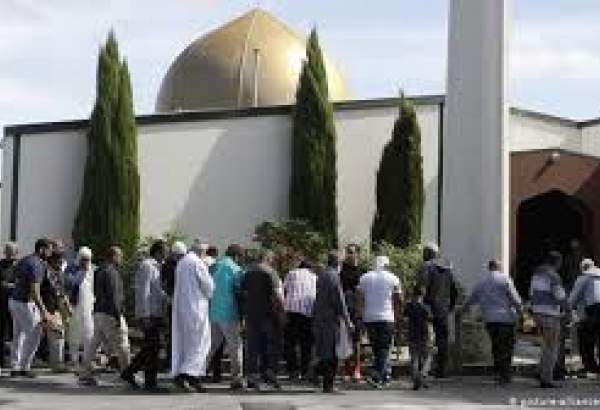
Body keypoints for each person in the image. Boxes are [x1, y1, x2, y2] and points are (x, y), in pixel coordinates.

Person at [78, 246, 133, 387]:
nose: (121, 259)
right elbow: (114, 296)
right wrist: (118, 316)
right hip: (110, 313)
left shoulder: (99, 271)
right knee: (123, 345)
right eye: (120, 256)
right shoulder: (112, 272)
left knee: (94, 344)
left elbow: (97, 292)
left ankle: (85, 374)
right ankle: (127, 374)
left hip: (98, 312)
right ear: (113, 256)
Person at [462, 260, 523, 385]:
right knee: (506, 347)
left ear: (489, 268)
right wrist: (521, 311)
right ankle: (505, 375)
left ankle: (498, 373)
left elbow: (471, 299)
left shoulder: (481, 282)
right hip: (506, 319)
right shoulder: (505, 280)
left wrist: (462, 311)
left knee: (496, 347)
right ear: (499, 267)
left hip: (490, 320)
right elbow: (515, 299)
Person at [122, 240, 169, 391]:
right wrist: (145, 315)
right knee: (152, 348)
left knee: (150, 347)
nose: (165, 256)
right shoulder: (147, 266)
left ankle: (130, 372)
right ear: (157, 252)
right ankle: (150, 382)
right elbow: (143, 292)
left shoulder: (155, 266)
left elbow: (155, 290)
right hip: (150, 314)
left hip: (155, 313)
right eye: (164, 252)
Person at [171, 241, 214, 393]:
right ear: (201, 252)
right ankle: (187, 375)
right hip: (197, 309)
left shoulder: (182, 263)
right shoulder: (197, 263)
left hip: (183, 310)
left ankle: (190, 376)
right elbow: (208, 287)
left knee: (187, 344)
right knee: (201, 343)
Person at [241, 249, 284, 391]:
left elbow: (244, 293)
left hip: (251, 314)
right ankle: (269, 374)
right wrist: (282, 311)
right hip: (268, 315)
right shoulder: (271, 272)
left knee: (253, 346)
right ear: (267, 258)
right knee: (270, 345)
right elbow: (278, 294)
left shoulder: (247, 272)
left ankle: (252, 377)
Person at [9, 238, 52, 377]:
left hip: (14, 300)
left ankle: (15, 367)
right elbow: (35, 291)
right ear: (42, 249)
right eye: (49, 249)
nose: (50, 253)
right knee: (34, 333)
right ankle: (24, 367)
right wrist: (43, 311)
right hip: (24, 303)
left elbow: (14, 278)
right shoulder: (36, 264)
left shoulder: (24, 260)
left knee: (18, 335)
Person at [357, 255, 402, 387]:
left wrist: (359, 316)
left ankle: (382, 376)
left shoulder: (364, 278)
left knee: (376, 348)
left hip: (369, 318)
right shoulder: (393, 278)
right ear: (386, 265)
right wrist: (399, 317)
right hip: (387, 317)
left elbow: (359, 298)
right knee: (384, 348)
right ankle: (377, 374)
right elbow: (398, 299)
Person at [205, 244, 245, 390]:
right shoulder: (236, 269)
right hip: (229, 313)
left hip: (213, 312)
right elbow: (240, 291)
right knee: (236, 346)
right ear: (236, 256)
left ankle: (194, 373)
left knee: (211, 346)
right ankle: (237, 378)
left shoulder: (214, 266)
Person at [313, 251, 352, 393]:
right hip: (329, 319)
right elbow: (340, 301)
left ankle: (316, 374)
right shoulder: (334, 276)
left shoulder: (322, 275)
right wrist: (348, 322)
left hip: (319, 317)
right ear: (337, 263)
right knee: (331, 352)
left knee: (324, 351)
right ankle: (327, 385)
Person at [529, 251, 568, 388]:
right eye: (560, 262)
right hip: (550, 314)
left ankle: (540, 371)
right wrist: (568, 310)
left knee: (545, 345)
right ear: (557, 262)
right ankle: (546, 379)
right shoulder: (554, 276)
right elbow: (560, 296)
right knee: (551, 347)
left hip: (537, 313)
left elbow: (531, 293)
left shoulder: (536, 275)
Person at [418, 243, 458, 378]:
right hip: (444, 309)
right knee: (442, 340)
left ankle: (424, 369)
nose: (423, 255)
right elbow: (454, 291)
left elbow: (422, 288)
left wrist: (420, 304)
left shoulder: (427, 267)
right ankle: (442, 370)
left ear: (429, 253)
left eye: (424, 252)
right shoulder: (447, 269)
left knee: (426, 339)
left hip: (428, 308)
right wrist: (450, 306)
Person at [283, 258, 317, 381]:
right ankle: (305, 371)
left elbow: (284, 290)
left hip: (291, 311)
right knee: (306, 344)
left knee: (290, 343)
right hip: (307, 314)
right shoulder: (314, 277)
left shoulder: (291, 273)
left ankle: (293, 371)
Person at [65, 247, 95, 373]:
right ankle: (74, 359)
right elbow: (69, 284)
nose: (86, 262)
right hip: (75, 306)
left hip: (89, 307)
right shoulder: (72, 269)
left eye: (88, 259)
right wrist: (81, 272)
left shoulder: (93, 270)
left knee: (89, 334)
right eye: (84, 259)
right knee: (74, 334)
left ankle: (87, 361)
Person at [568, 258, 600, 375]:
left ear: (583, 268)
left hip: (592, 311)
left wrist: (567, 309)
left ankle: (591, 367)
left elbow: (573, 299)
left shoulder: (583, 278)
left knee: (585, 339)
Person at [40, 250, 71, 372]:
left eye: (61, 261)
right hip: (46, 307)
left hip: (55, 309)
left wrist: (67, 307)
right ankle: (56, 363)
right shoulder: (46, 272)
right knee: (53, 336)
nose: (60, 264)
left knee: (57, 335)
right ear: (52, 261)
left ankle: (57, 363)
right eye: (58, 261)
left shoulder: (59, 273)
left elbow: (62, 292)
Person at [339, 244, 364, 381]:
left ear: (357, 254)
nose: (350, 254)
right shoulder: (341, 270)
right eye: (348, 252)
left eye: (352, 252)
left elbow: (361, 293)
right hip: (344, 309)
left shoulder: (360, 271)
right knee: (345, 340)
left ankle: (357, 369)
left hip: (356, 310)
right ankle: (345, 369)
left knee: (357, 341)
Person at [404, 285, 431, 390]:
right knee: (427, 357)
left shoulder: (409, 306)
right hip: (424, 334)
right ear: (423, 295)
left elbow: (405, 319)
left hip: (412, 334)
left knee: (414, 358)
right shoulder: (426, 307)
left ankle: (416, 379)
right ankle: (423, 375)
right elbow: (430, 321)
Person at [0, 242, 18, 373]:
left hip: (16, 303)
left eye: (13, 252)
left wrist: (12, 286)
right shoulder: (0, 264)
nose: (10, 255)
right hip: (1, 303)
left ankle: (15, 361)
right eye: (8, 252)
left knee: (15, 333)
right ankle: (1, 360)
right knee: (1, 332)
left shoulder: (19, 266)